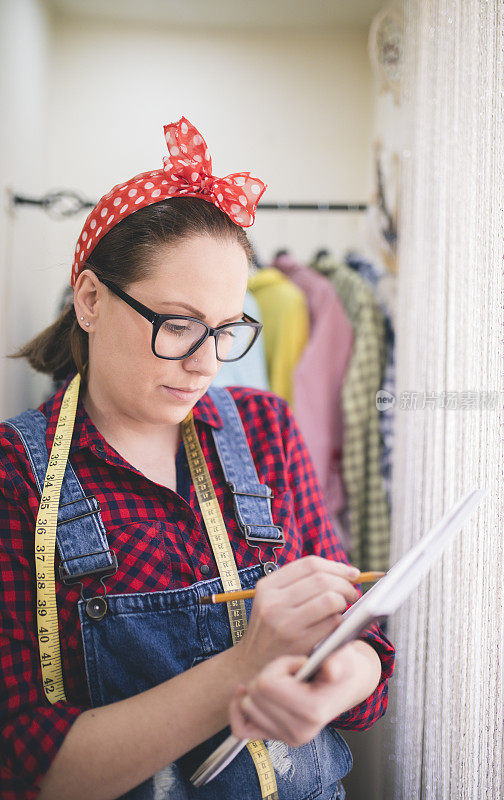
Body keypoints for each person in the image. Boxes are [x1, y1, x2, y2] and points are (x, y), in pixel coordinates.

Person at [0, 117, 395, 800]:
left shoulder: (266, 429)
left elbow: (367, 650)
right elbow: (32, 766)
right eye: (177, 325)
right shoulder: (15, 473)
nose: (207, 363)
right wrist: (242, 671)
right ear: (90, 300)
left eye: (225, 329)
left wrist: (334, 683)